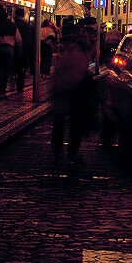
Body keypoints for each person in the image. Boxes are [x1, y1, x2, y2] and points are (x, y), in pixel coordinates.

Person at [51, 30, 91, 165]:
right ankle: (70, 152)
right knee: (74, 124)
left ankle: (59, 152)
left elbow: (61, 70)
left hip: (64, 90)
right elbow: (75, 73)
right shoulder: (79, 53)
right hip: (72, 91)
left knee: (61, 123)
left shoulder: (70, 52)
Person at [0, 8, 20, 96]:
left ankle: (0, 84)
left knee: (0, 67)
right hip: (9, 48)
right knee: (7, 68)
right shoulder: (13, 26)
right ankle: (4, 84)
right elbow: (19, 39)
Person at [13, 6, 34, 92]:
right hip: (25, 48)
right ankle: (20, 84)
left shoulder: (13, 24)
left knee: (15, 66)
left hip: (14, 47)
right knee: (21, 67)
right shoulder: (26, 26)